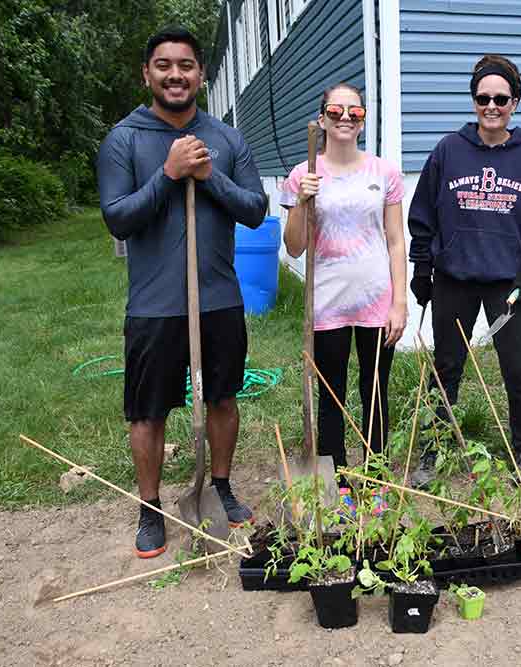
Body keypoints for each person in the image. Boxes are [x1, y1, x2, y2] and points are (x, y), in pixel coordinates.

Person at [97, 27, 268, 558]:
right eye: (165, 65)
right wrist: (170, 174)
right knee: (148, 411)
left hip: (218, 296)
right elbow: (117, 219)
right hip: (155, 304)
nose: (177, 74)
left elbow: (255, 209)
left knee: (222, 396)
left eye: (187, 65)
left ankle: (219, 486)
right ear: (147, 73)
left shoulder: (227, 138)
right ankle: (150, 507)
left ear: (202, 75)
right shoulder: (124, 139)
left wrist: (208, 174)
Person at [407, 54, 521, 488]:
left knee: (518, 367)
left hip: (507, 286)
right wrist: (423, 267)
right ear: (473, 100)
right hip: (454, 279)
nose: (491, 106)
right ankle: (434, 450)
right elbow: (422, 214)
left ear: (515, 101)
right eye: (482, 98)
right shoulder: (448, 151)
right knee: (446, 367)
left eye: (501, 98)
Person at [281, 82, 406, 478]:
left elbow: (395, 241)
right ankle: (336, 477)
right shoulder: (303, 174)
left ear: (363, 120)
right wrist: (302, 201)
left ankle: (377, 476)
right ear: (322, 119)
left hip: (376, 301)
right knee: (330, 394)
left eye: (355, 112)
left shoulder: (384, 171)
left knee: (375, 392)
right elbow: (295, 246)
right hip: (327, 304)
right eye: (336, 111)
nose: (346, 118)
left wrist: (399, 302)